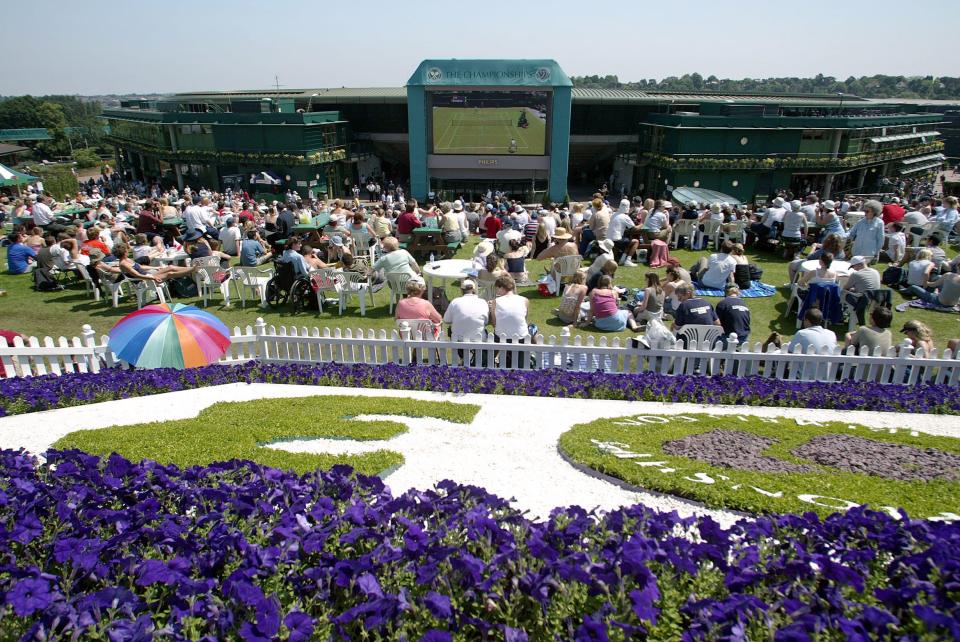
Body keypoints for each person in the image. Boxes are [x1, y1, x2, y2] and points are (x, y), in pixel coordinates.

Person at [488, 275, 530, 367]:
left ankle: (493, 359)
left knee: (496, 331)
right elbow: (525, 320)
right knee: (532, 328)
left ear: (502, 287)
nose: (497, 291)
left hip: (501, 336)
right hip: (521, 336)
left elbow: (494, 323)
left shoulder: (495, 301)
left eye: (497, 288)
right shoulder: (525, 300)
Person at [842, 255, 881, 321]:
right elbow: (868, 286)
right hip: (875, 299)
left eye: (853, 266)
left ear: (858, 265)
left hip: (862, 300)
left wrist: (851, 289)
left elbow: (845, 288)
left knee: (842, 293)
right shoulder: (876, 271)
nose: (853, 268)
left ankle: (840, 315)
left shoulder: (856, 274)